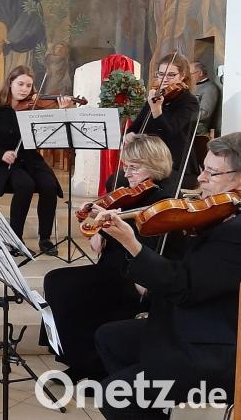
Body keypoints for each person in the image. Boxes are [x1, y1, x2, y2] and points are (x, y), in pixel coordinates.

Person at [93, 132, 241, 419]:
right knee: (109, 337)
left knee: (114, 395)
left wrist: (132, 244)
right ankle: (154, 404)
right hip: (189, 320)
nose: (200, 179)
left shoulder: (235, 232)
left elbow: (184, 287)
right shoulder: (225, 211)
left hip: (212, 345)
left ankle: (147, 395)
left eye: (211, 173)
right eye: (203, 169)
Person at [41, 135, 175, 383]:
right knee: (58, 282)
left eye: (134, 167)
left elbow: (147, 248)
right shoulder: (131, 194)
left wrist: (110, 226)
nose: (127, 173)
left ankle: (94, 366)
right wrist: (99, 227)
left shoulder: (161, 201)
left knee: (63, 285)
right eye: (126, 166)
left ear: (155, 165)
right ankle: (77, 359)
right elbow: (104, 238)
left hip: (132, 276)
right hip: (112, 267)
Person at [0, 65, 70, 255]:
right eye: (20, 84)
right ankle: (15, 240)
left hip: (31, 161)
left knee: (49, 185)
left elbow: (52, 135)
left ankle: (45, 239)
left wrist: (61, 113)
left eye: (28, 86)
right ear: (10, 83)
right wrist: (1, 154)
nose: (24, 89)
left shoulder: (34, 109)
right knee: (25, 185)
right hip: (6, 165)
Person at [125, 52, 199, 175]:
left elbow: (169, 133)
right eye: (161, 74)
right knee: (114, 180)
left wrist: (157, 110)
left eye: (171, 75)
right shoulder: (156, 96)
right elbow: (135, 127)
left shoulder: (189, 101)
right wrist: (130, 135)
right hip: (149, 162)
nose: (164, 79)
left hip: (175, 165)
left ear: (182, 76)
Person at [190, 61, 221, 136]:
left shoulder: (210, 88)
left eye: (190, 74)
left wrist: (183, 115)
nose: (187, 77)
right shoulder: (190, 86)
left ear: (200, 73)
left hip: (196, 131)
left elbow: (205, 113)